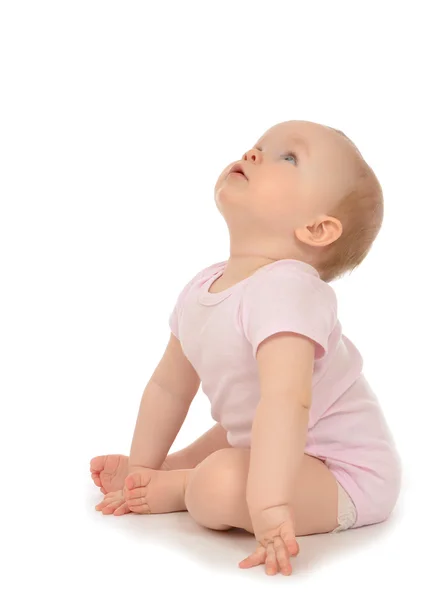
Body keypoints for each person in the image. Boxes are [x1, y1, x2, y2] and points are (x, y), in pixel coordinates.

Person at [90, 120, 402, 576]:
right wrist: (143, 466)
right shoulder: (203, 286)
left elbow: (287, 401)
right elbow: (168, 389)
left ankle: (179, 487)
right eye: (259, 145)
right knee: (229, 436)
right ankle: (164, 473)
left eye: (288, 158)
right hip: (268, 435)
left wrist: (270, 504)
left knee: (217, 480)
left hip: (342, 472)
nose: (255, 154)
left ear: (317, 229)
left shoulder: (289, 289)